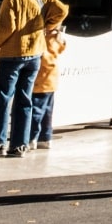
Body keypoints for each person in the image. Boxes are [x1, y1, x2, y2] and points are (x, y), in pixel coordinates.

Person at [0, 0, 65, 159]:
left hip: (12, 53)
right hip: (35, 53)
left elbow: (6, 26)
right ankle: (19, 145)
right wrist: (47, 26)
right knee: (25, 99)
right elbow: (62, 10)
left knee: (3, 98)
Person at [27, 22, 66, 151]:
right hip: (51, 80)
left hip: (41, 81)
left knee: (36, 111)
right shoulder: (58, 38)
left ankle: (32, 138)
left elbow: (43, 58)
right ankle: (45, 137)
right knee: (47, 112)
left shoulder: (46, 40)